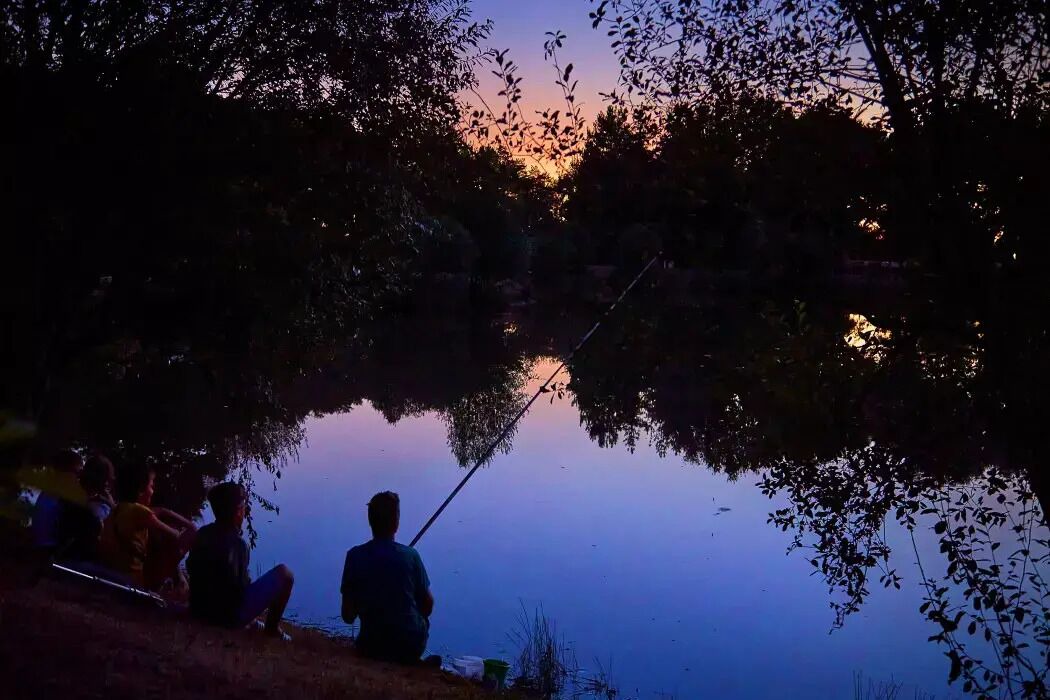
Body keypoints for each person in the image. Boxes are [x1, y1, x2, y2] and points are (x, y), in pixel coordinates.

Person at [187, 482, 294, 636]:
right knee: (285, 574)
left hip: (198, 610)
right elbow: (240, 588)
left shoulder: (203, 533)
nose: (246, 509)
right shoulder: (238, 545)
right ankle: (271, 630)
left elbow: (191, 568)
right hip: (227, 618)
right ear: (238, 511)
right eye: (244, 505)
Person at [341, 491, 435, 664]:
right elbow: (428, 606)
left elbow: (347, 616)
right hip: (410, 647)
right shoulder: (411, 556)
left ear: (370, 521)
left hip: (370, 645)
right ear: (396, 522)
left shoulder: (354, 556)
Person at [98, 464, 196, 590]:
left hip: (111, 568)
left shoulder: (119, 508)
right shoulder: (141, 513)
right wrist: (190, 526)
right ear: (140, 490)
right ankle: (160, 586)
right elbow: (177, 537)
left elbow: (159, 511)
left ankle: (174, 579)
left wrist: (165, 511)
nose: (153, 491)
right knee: (186, 538)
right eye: (151, 486)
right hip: (132, 578)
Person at [30, 449, 85, 550]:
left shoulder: (47, 492)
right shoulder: (65, 497)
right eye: (78, 472)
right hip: (51, 553)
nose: (79, 478)